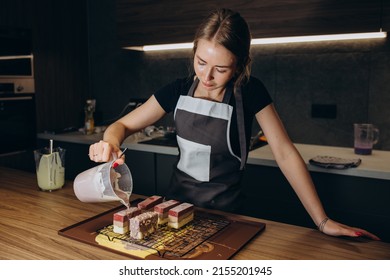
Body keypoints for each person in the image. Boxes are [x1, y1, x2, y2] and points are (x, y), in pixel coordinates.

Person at [89, 8, 379, 240]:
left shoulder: (250, 92)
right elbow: (122, 126)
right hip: (173, 211)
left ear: (239, 65)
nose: (207, 76)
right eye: (201, 62)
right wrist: (111, 142)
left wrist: (322, 220)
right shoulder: (176, 90)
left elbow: (284, 153)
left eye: (221, 69)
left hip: (229, 218)